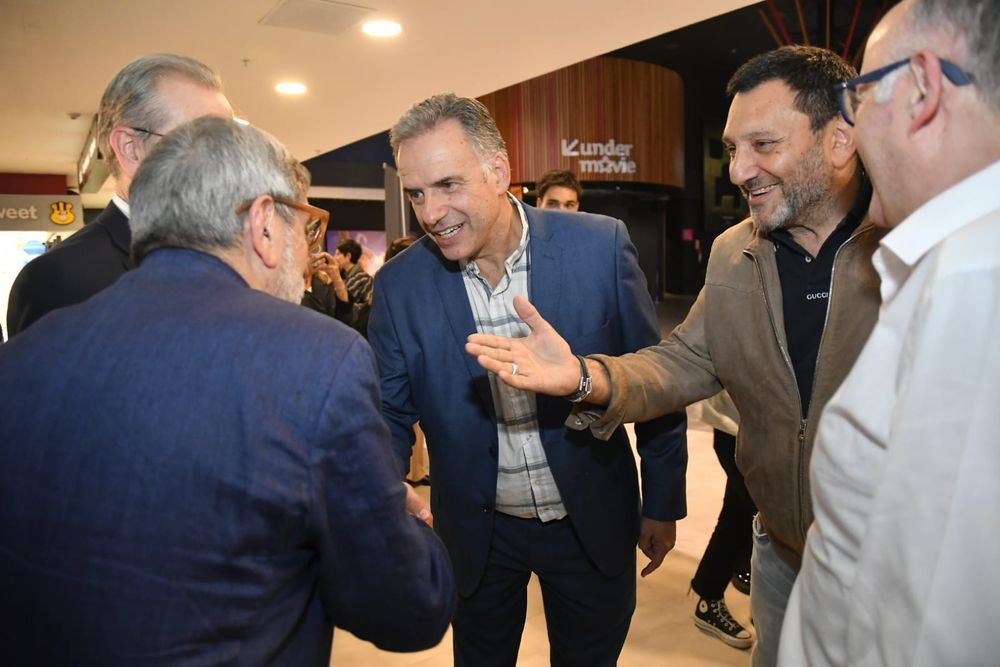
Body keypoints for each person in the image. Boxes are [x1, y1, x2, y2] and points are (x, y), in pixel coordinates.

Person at [465, 46, 884, 666]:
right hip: (782, 555)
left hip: (896, 561)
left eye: (762, 145)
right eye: (733, 149)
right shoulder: (733, 253)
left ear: (840, 140)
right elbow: (681, 360)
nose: (740, 170)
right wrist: (585, 376)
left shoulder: (915, 245)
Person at [0, 116, 455, 666]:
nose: (307, 247)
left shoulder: (23, 359)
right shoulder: (316, 359)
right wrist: (406, 521)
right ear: (264, 224)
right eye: (304, 224)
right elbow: (405, 609)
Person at [367, 93, 687, 666]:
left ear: (499, 171)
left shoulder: (600, 246)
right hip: (475, 534)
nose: (430, 213)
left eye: (447, 185)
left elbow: (656, 381)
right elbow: (389, 414)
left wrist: (663, 500)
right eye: (415, 193)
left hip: (589, 519)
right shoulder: (399, 286)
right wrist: (383, 494)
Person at [779, 1, 1000, 664]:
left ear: (924, 89)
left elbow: (931, 623)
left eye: (860, 94)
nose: (848, 123)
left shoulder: (972, 281)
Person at [6, 53, 233, 337]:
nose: (229, 161)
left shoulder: (230, 261)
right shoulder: (61, 279)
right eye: (206, 141)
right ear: (130, 148)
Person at [690, 391, 756, 650]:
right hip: (737, 426)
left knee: (738, 513)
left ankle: (709, 596)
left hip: (756, 428)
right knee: (764, 519)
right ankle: (766, 611)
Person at [335, 237, 374, 304]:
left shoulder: (364, 278)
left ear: (348, 256)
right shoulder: (341, 276)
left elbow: (368, 305)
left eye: (338, 254)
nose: (335, 257)